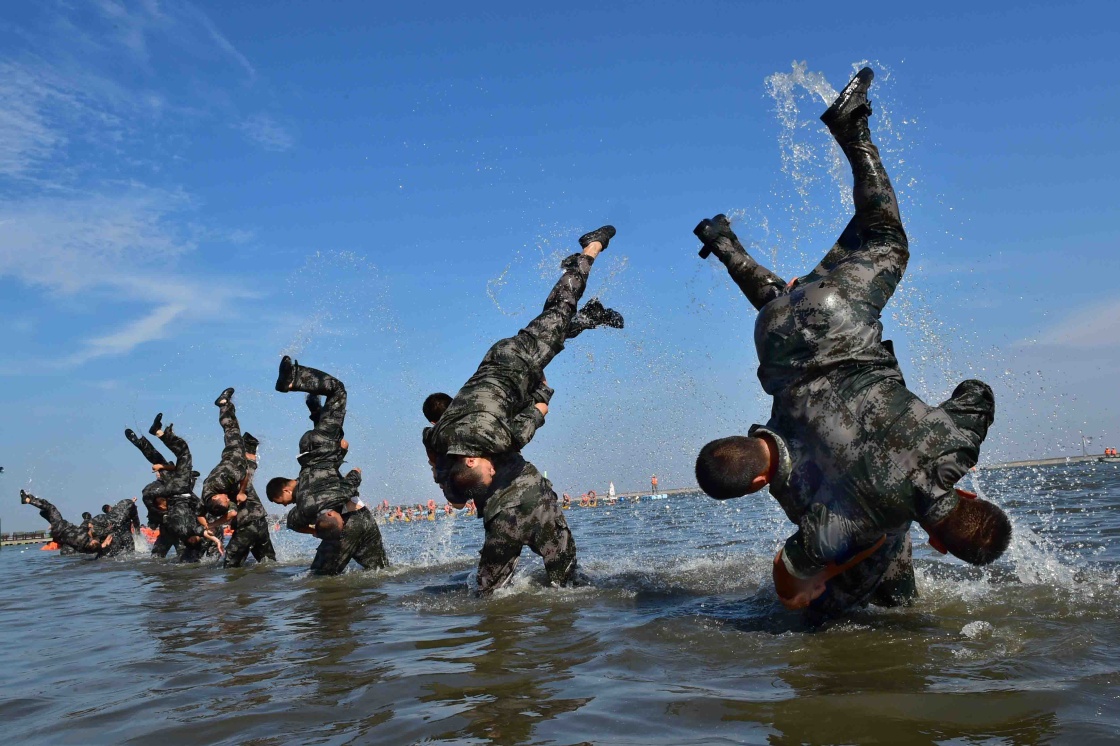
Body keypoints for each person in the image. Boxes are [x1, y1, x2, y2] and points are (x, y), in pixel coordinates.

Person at [692, 68, 1011, 619]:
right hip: (776, 339)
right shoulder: (849, 517)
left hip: (838, 327)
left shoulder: (951, 443)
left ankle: (854, 130)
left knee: (887, 237)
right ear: (939, 544)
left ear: (974, 497)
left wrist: (954, 447)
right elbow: (790, 580)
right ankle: (725, 240)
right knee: (785, 306)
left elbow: (976, 391)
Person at [426, 225, 622, 594]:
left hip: (516, 362)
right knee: (557, 332)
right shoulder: (443, 437)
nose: (492, 463)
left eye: (487, 466)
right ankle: (589, 317)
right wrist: (439, 468)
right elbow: (431, 439)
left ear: (471, 460)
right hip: (497, 367)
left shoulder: (493, 439)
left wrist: (544, 398)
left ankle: (589, 251)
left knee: (559, 307)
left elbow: (529, 424)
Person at [266, 359, 388, 575]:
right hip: (313, 451)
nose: (284, 506)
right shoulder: (304, 486)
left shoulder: (309, 504)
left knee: (320, 577)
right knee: (379, 570)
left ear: (286, 489)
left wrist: (355, 473)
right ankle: (312, 402)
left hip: (324, 453)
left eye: (281, 501)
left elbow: (348, 486)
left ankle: (294, 379)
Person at [19, 490, 109, 555]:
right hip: (58, 534)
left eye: (94, 540)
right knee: (44, 510)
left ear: (92, 543)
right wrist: (101, 547)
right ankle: (31, 498)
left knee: (51, 508)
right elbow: (93, 548)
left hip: (60, 526)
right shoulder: (83, 549)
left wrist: (88, 524)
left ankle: (27, 500)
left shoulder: (83, 537)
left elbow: (85, 527)